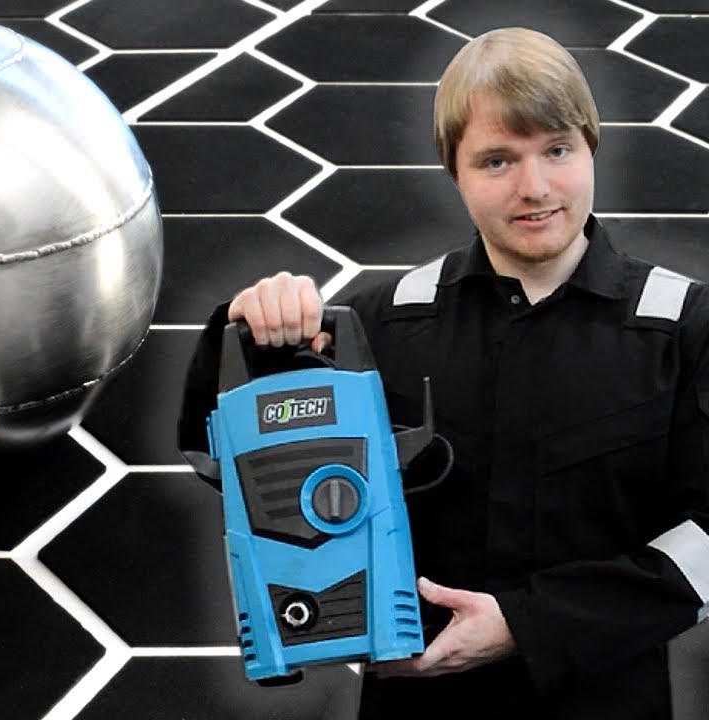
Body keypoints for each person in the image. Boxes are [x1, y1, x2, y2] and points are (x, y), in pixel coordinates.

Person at [177, 27, 709, 719]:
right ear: (453, 173)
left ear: (592, 148)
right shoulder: (379, 325)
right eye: (496, 161)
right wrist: (253, 338)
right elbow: (235, 468)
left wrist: (526, 626)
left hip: (607, 702)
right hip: (417, 703)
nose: (534, 187)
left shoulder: (686, 328)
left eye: (557, 150)